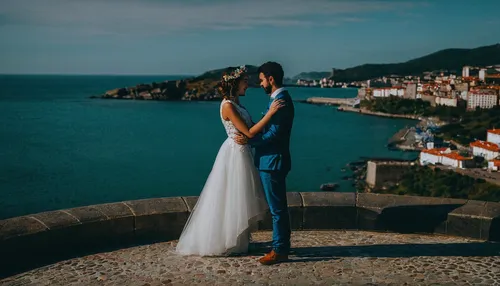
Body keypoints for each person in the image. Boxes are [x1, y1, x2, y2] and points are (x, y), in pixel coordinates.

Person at [175, 66, 285, 256]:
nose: (248, 84)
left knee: (240, 196)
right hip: (235, 153)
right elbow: (249, 132)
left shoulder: (237, 103)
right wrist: (270, 113)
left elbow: (249, 130)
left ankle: (240, 240)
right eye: (244, 81)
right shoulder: (227, 105)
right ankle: (227, 241)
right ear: (234, 83)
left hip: (243, 151)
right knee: (231, 195)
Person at [234, 61, 294, 265]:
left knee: (277, 210)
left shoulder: (282, 100)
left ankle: (280, 250)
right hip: (271, 160)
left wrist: (250, 140)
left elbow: (275, 134)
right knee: (277, 208)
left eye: (261, 80)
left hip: (272, 162)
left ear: (271, 79)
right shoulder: (277, 99)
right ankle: (282, 246)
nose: (259, 84)